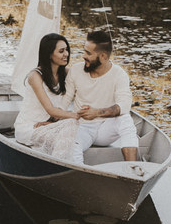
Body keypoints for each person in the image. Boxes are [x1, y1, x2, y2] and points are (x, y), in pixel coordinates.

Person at [67, 30, 138, 165]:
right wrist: (51, 119)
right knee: (70, 144)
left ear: (103, 56)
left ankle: (132, 168)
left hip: (105, 129)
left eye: (88, 53)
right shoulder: (76, 70)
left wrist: (97, 112)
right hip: (82, 128)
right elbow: (64, 100)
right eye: (84, 51)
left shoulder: (119, 74)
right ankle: (81, 172)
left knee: (125, 119)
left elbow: (124, 105)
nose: (83, 56)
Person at [14, 33, 79, 159]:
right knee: (71, 124)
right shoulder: (35, 76)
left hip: (50, 124)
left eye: (67, 50)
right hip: (30, 127)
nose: (66, 54)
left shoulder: (66, 73)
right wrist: (76, 115)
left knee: (73, 130)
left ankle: (61, 163)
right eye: (61, 51)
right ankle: (58, 165)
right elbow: (50, 110)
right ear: (49, 54)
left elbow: (86, 80)